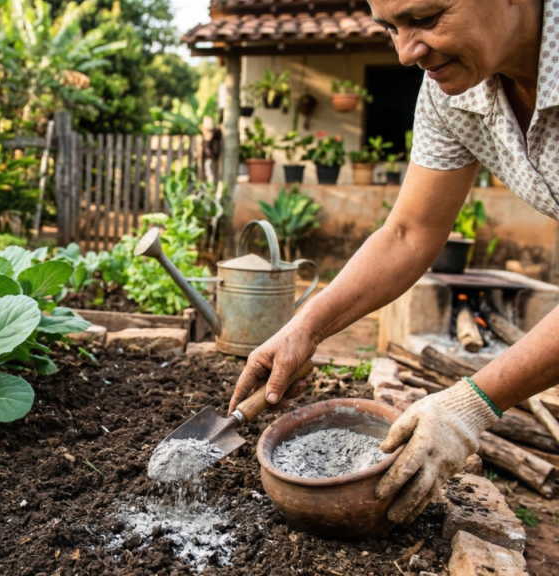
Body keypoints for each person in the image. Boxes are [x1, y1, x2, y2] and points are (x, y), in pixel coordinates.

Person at [228, 0, 559, 525]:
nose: (407, 53)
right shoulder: (452, 91)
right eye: (390, 28)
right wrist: (305, 328)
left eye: (426, 19)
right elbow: (409, 232)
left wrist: (470, 404)